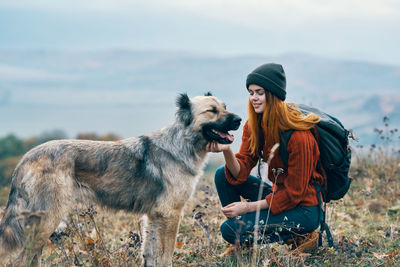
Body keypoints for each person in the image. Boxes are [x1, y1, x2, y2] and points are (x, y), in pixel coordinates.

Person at [207, 63, 324, 250]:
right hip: (278, 197)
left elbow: (294, 194)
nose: (254, 98)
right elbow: (240, 171)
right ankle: (243, 233)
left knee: (229, 230)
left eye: (259, 92)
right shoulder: (254, 126)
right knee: (223, 174)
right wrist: (227, 150)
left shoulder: (299, 137)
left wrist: (246, 208)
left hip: (303, 209)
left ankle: (303, 235)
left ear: (273, 94)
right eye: (251, 92)